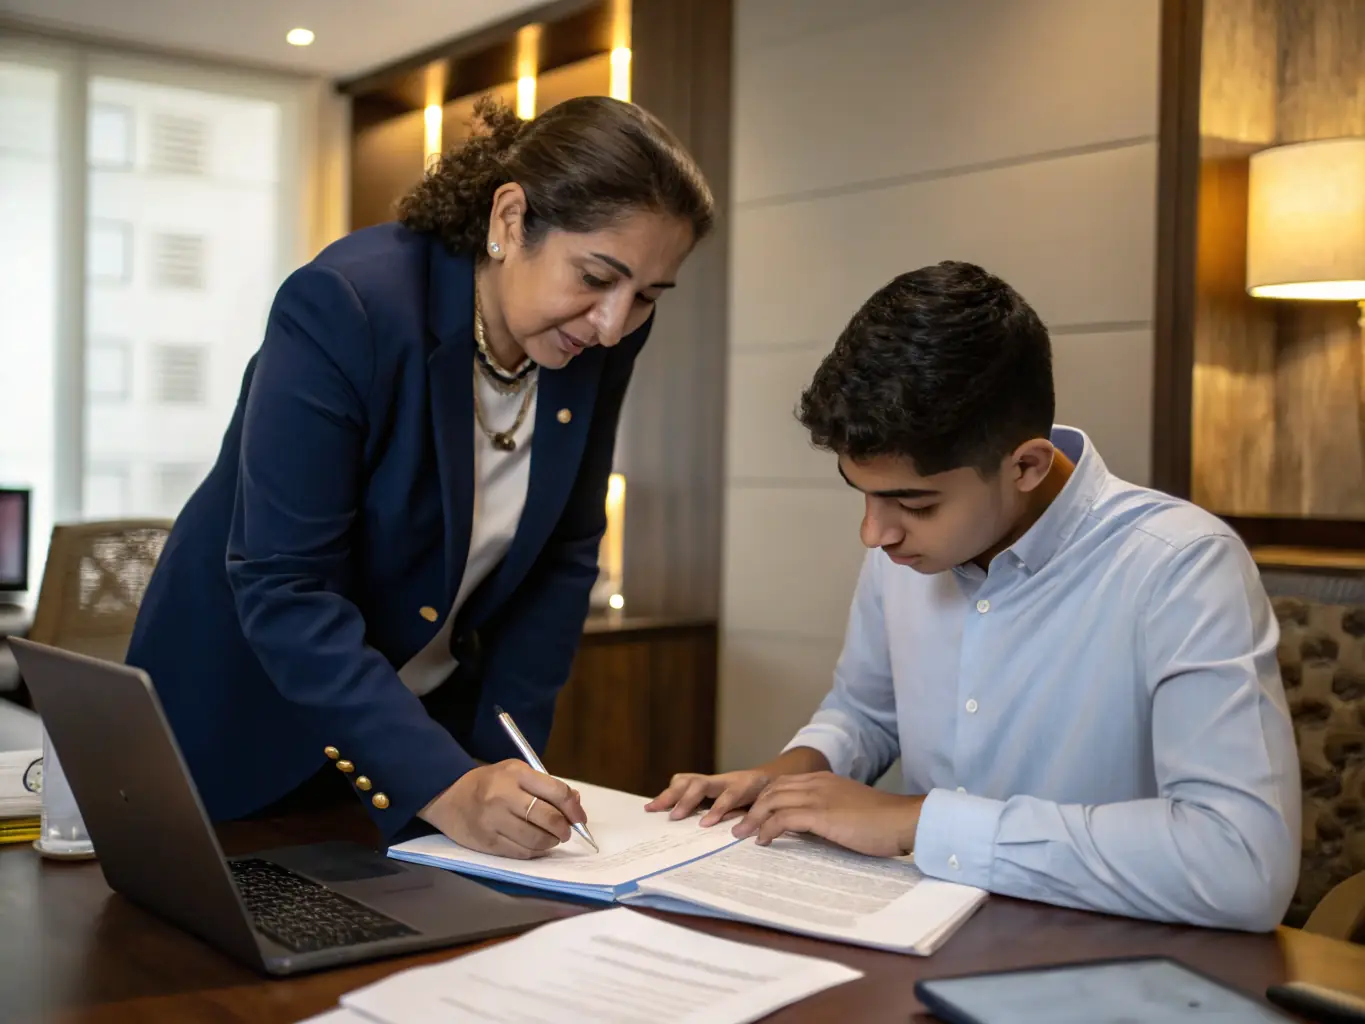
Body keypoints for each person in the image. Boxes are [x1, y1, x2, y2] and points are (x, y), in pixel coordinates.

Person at [126, 95, 712, 858]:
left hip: (416, 733)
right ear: (509, 221)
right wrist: (443, 783)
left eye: (646, 297)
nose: (612, 322)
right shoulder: (348, 305)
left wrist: (504, 762)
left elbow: (562, 555)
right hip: (240, 725)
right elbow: (284, 586)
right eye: (596, 277)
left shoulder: (600, 335)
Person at [649, 261, 1301, 931]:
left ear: (1025, 466)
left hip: (1107, 955)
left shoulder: (1180, 568)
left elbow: (1240, 865)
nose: (874, 533)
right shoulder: (906, 547)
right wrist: (788, 777)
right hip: (911, 930)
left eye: (912, 501)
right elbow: (867, 710)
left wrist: (917, 822)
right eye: (863, 493)